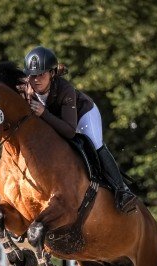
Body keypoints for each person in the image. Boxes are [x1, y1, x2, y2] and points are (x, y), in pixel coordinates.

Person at [22, 46, 136, 212]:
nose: (36, 80)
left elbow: (69, 130)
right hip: (56, 119)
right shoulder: (27, 88)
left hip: (83, 115)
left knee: (95, 145)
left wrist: (44, 113)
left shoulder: (65, 89)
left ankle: (123, 191)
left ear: (52, 74)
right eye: (32, 75)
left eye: (41, 74)